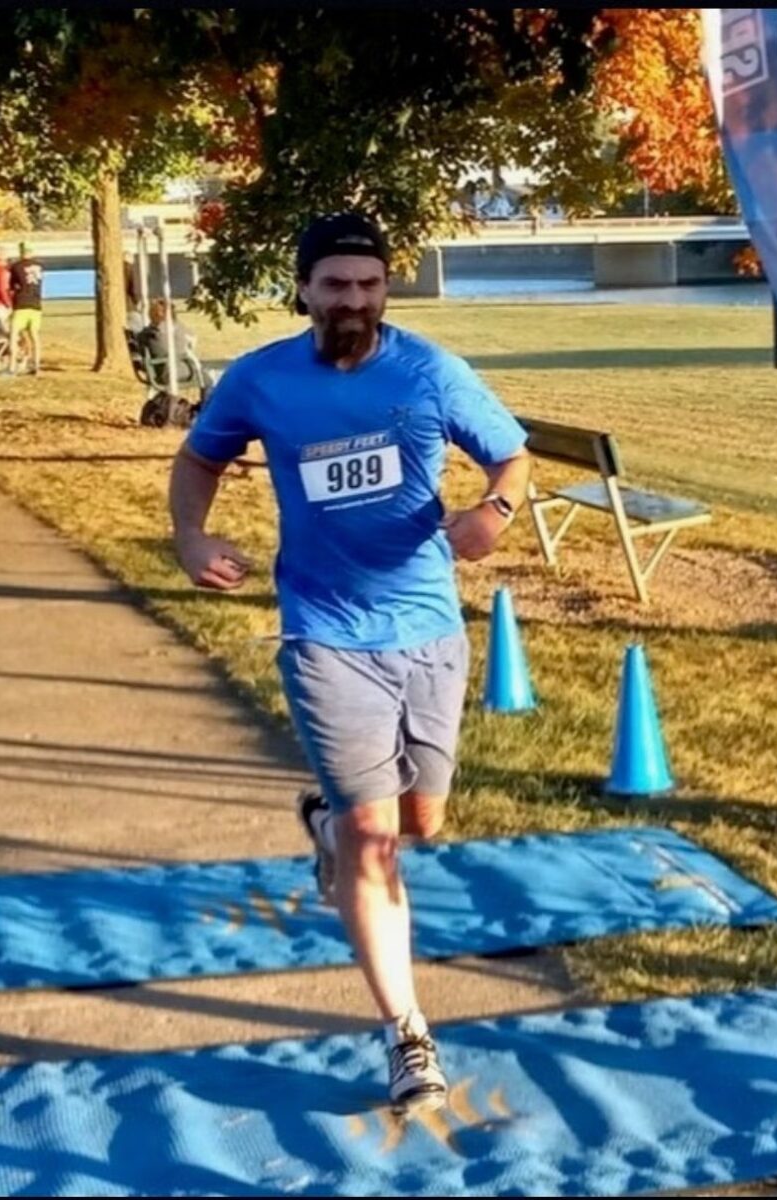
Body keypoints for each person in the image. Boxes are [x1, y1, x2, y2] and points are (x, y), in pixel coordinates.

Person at [168, 212, 530, 1113]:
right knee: (377, 845)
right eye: (336, 285)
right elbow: (199, 458)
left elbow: (512, 457)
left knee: (422, 824)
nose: (354, 301)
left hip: (429, 630)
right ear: (304, 290)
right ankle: (409, 1037)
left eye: (369, 285)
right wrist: (188, 535)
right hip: (325, 635)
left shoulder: (428, 370)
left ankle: (330, 829)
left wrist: (495, 514)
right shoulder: (260, 380)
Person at [136, 297, 197, 388]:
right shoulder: (176, 330)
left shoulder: (144, 334)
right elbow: (192, 340)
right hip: (174, 371)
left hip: (157, 372)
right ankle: (208, 401)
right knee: (208, 378)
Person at [7, 241, 43, 376]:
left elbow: (11, 286)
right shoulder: (40, 266)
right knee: (35, 336)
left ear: (21, 251)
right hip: (36, 305)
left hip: (21, 304)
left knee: (14, 334)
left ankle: (11, 367)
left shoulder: (16, 266)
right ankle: (37, 365)